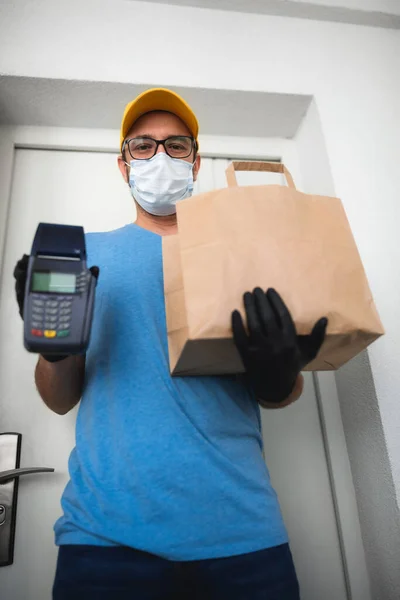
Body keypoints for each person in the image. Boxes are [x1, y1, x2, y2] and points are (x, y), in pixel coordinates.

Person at [13, 88, 327, 600]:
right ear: (123, 165)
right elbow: (59, 398)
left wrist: (278, 374)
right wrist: (55, 349)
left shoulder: (244, 256)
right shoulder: (82, 255)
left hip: (242, 533)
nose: (160, 156)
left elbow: (281, 394)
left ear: (195, 161)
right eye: (143, 146)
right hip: (105, 540)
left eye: (175, 146)